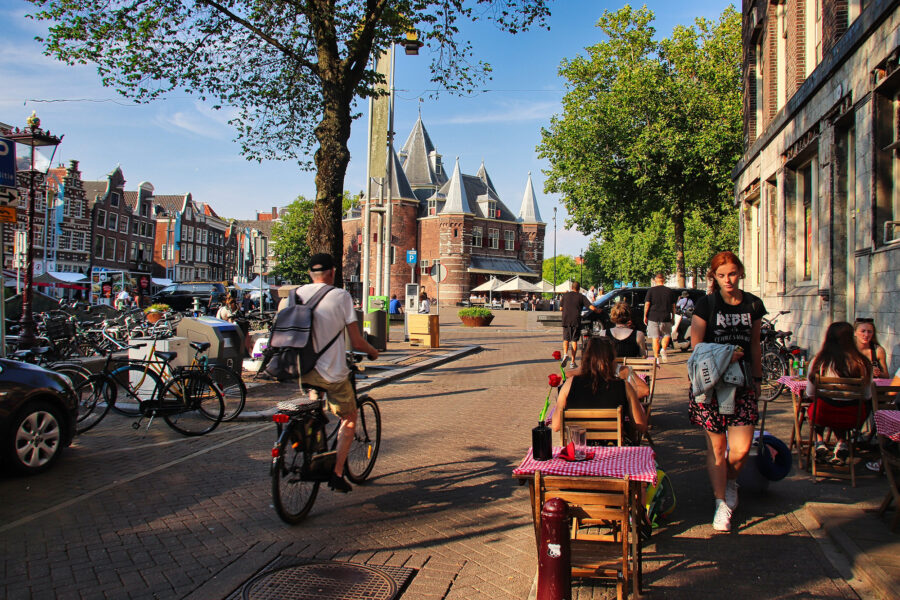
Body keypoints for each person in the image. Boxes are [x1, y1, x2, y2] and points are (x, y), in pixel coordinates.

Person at [689, 251, 766, 532]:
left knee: (742, 449)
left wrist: (758, 378)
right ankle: (720, 502)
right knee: (718, 447)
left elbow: (755, 344)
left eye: (732, 274)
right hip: (712, 384)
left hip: (743, 382)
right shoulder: (706, 304)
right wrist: (725, 354)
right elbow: (696, 348)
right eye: (721, 275)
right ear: (714, 277)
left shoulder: (753, 305)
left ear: (740, 273)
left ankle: (730, 481)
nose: (727, 280)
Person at [296, 253, 379, 493]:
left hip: (304, 371)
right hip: (332, 373)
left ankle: (312, 447)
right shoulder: (340, 296)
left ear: (310, 274)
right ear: (332, 272)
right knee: (349, 418)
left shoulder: (296, 295)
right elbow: (356, 341)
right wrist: (373, 352)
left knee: (314, 408)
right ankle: (337, 473)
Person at [551, 336, 647, 445]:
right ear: (612, 359)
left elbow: (556, 426)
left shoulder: (570, 384)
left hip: (579, 452)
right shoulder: (623, 386)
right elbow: (641, 425)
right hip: (615, 453)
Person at [807, 321, 874, 465]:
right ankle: (842, 443)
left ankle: (820, 442)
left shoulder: (819, 362)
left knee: (819, 406)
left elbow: (810, 393)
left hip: (824, 414)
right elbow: (867, 396)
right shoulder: (863, 363)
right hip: (853, 417)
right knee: (843, 406)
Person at [560, 280, 598, 367]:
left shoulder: (565, 295)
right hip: (576, 320)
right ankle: (572, 362)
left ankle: (565, 354)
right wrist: (598, 310)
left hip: (566, 320)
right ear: (579, 288)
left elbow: (561, 308)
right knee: (574, 340)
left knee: (566, 339)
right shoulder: (581, 297)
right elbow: (591, 306)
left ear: (571, 288)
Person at [644, 273, 676, 364]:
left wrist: (645, 316)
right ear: (664, 280)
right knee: (666, 334)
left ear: (655, 280)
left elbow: (647, 304)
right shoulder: (669, 291)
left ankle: (656, 357)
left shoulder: (651, 290)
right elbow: (673, 306)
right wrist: (673, 316)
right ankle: (663, 349)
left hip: (653, 316)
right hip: (666, 316)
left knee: (655, 338)